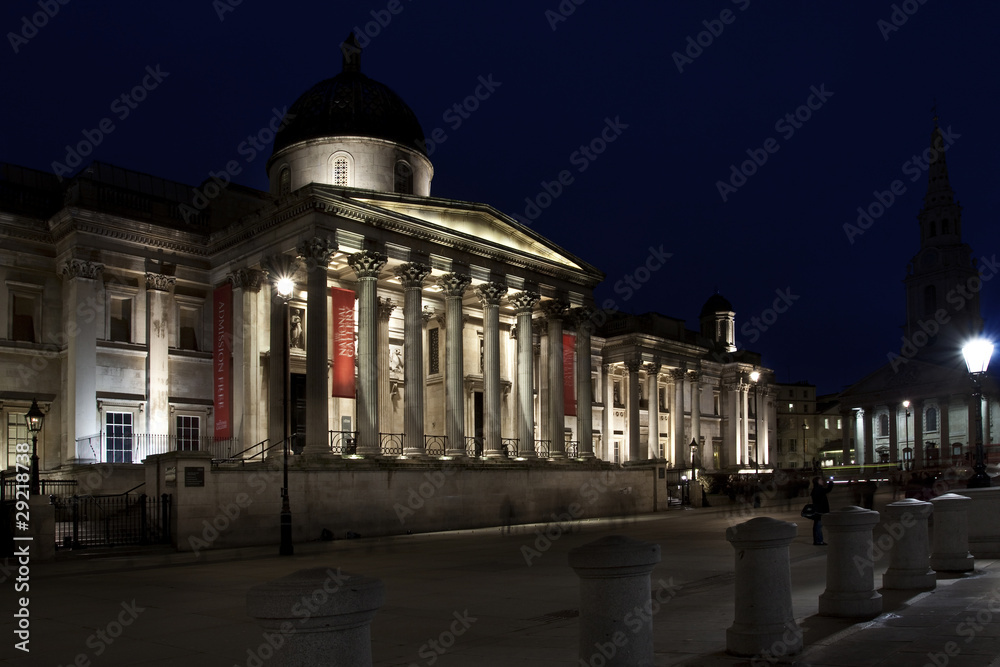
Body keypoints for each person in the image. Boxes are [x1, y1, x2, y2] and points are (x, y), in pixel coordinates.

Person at [810, 476, 834, 545]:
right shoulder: (818, 489)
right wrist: (831, 482)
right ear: (817, 481)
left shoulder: (815, 489)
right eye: (820, 480)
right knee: (818, 526)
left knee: (817, 526)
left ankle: (817, 540)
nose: (822, 481)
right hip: (820, 511)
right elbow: (828, 490)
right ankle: (819, 541)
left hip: (818, 510)